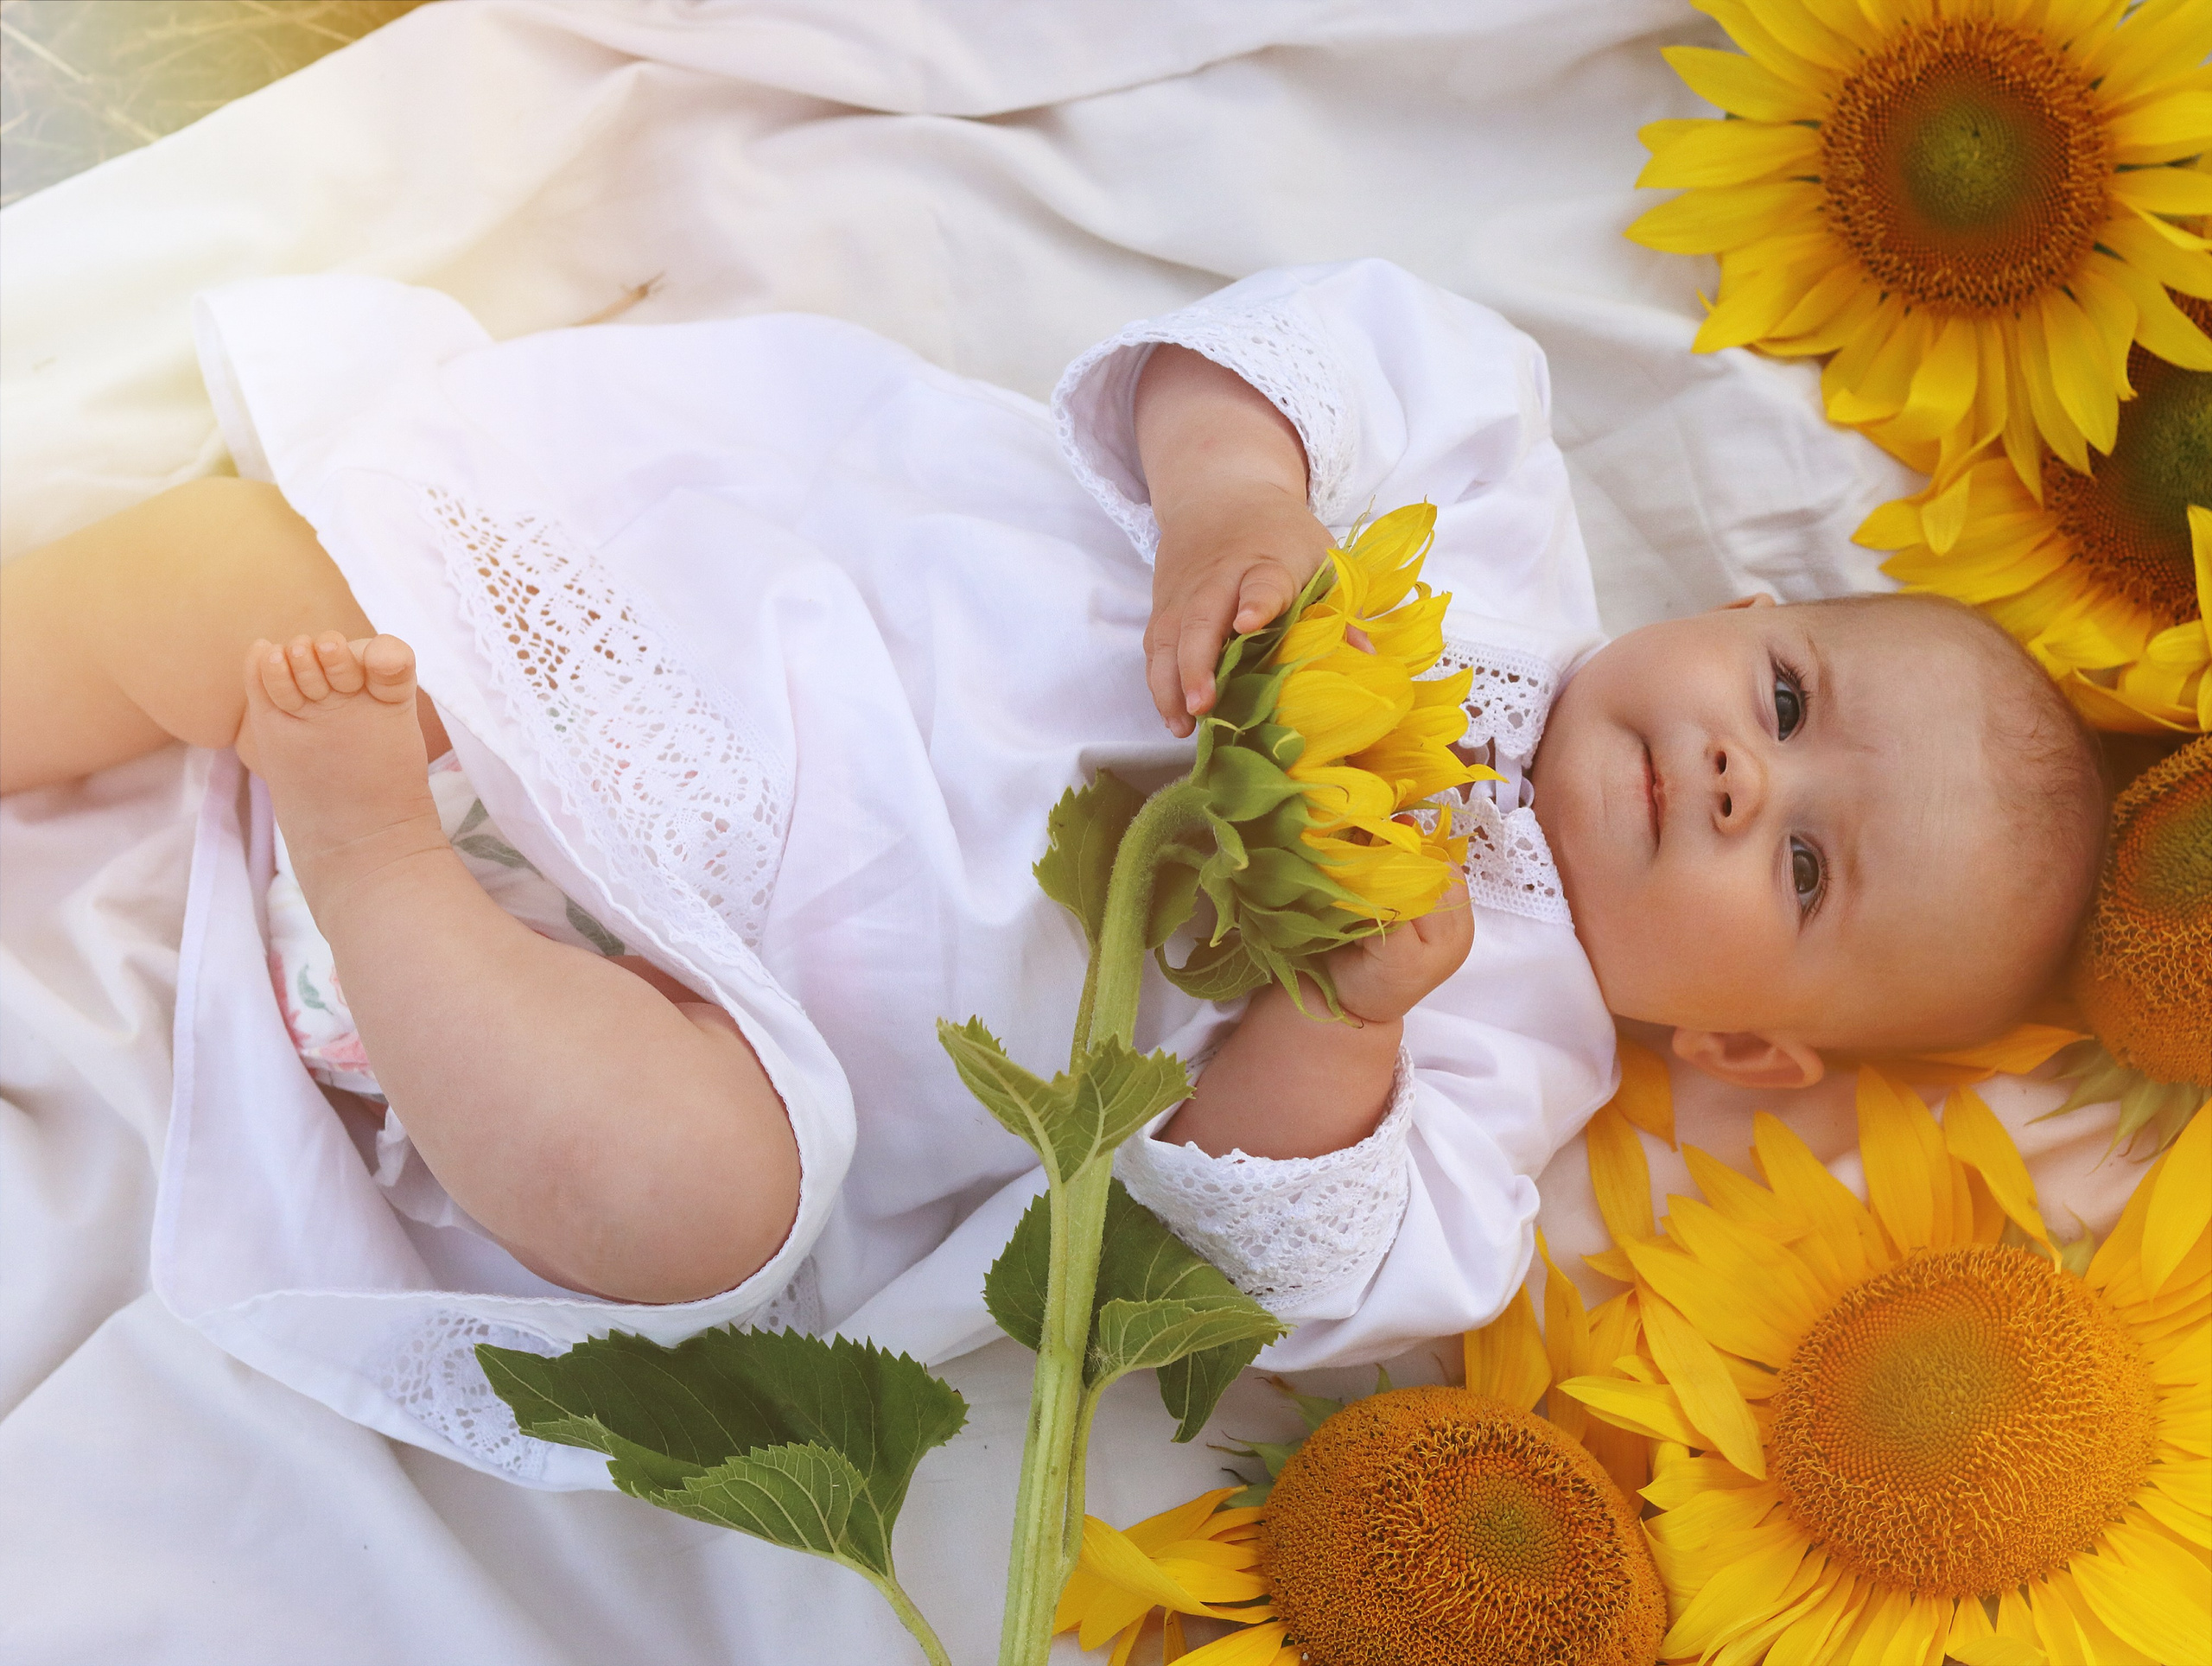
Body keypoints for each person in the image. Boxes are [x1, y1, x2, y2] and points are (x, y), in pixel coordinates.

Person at [0, 261, 2107, 1480]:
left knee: (685, 1211)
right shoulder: (1479, 515)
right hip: (655, 668)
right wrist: (1227, 504)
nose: (1743, 773)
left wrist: (1331, 1012)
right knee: (214, 581)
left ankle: (371, 867)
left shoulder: (1495, 1091)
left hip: (670, 1023)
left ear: (1744, 1042)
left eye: (1808, 865)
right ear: (1745, 606)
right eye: (1790, 686)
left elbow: (1230, 1260)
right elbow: (1279, 347)